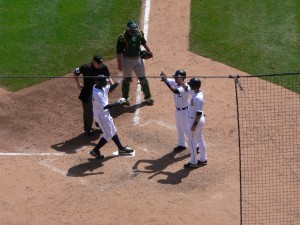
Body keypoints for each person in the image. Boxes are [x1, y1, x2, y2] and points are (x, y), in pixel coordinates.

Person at [90, 75, 134, 159]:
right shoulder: (97, 94)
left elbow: (109, 88)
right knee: (108, 135)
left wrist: (118, 81)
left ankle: (121, 148)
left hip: (105, 114)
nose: (106, 83)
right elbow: (107, 106)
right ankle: (95, 150)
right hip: (101, 116)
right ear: (100, 83)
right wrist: (119, 102)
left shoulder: (99, 86)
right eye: (104, 82)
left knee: (113, 130)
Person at [116, 19, 154, 105]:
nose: (134, 30)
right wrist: (119, 64)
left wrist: (150, 50)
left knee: (143, 78)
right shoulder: (122, 37)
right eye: (133, 29)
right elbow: (118, 52)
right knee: (127, 80)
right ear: (129, 29)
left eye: (135, 28)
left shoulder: (139, 34)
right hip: (126, 60)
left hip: (137, 59)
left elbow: (144, 43)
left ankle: (148, 96)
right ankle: (125, 98)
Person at [73, 55, 113, 136]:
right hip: (88, 92)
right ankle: (88, 129)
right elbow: (75, 72)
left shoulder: (103, 67)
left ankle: (100, 124)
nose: (100, 65)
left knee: (101, 109)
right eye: (98, 63)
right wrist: (78, 84)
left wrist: (112, 85)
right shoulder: (86, 67)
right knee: (88, 111)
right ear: (94, 62)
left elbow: (108, 77)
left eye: (101, 63)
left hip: (99, 93)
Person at [179, 77, 207, 168]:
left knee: (191, 141)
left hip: (196, 120)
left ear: (194, 86)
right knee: (200, 139)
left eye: (191, 84)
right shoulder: (196, 92)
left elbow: (198, 112)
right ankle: (203, 159)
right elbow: (186, 88)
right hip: (198, 120)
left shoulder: (198, 98)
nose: (189, 85)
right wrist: (181, 81)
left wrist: (194, 124)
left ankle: (194, 162)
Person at [160, 70, 190, 152]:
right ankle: (182, 144)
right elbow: (168, 80)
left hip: (185, 111)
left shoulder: (185, 88)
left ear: (181, 79)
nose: (175, 79)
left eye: (177, 78)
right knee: (179, 127)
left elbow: (175, 91)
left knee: (186, 129)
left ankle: (196, 145)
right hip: (178, 111)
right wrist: (164, 77)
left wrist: (166, 82)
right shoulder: (175, 82)